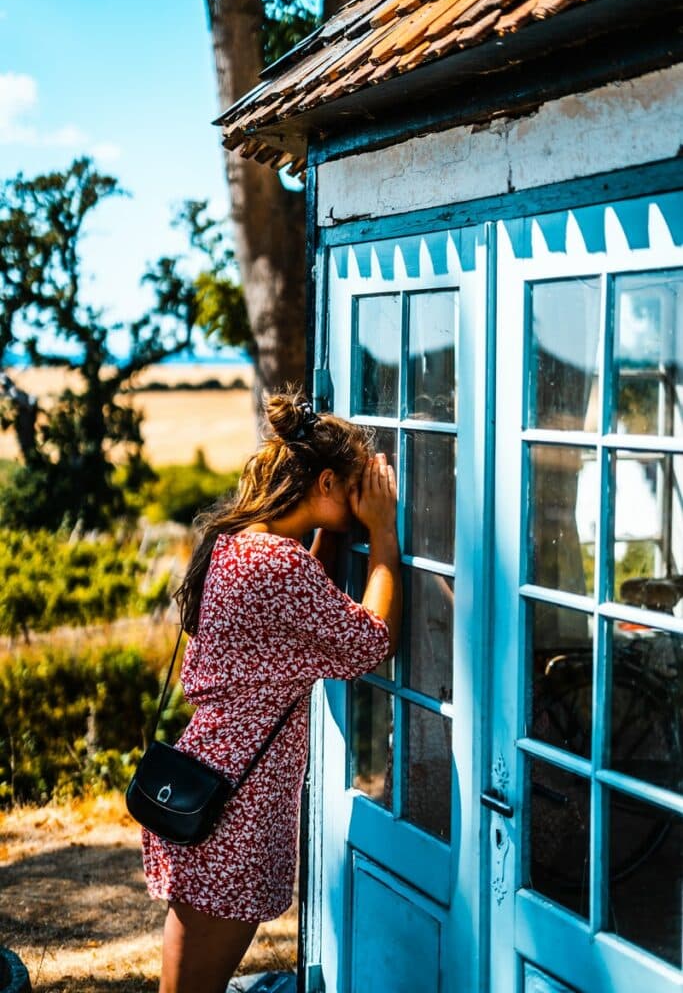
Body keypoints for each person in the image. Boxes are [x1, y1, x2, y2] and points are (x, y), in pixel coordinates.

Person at [142, 390, 401, 993]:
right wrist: (383, 534)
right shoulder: (277, 565)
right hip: (233, 810)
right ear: (326, 483)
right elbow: (370, 641)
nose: (365, 497)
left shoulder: (244, 543)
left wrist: (331, 529)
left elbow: (305, 609)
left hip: (211, 784)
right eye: (354, 487)